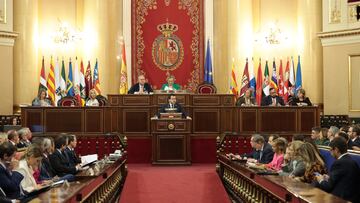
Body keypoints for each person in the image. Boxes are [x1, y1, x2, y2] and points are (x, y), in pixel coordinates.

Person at [315, 137, 360, 202]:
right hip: (353, 197)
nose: (330, 152)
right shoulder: (351, 160)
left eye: (330, 150)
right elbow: (343, 179)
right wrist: (329, 178)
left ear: (336, 150)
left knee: (316, 187)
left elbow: (328, 187)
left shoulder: (339, 163)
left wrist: (321, 180)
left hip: (341, 199)